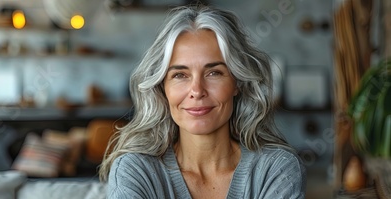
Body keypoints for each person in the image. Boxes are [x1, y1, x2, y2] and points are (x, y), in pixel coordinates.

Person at [99, 5, 306, 199]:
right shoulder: (136, 171)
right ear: (163, 87)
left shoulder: (277, 169)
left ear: (237, 83)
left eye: (214, 72)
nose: (197, 91)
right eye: (180, 75)